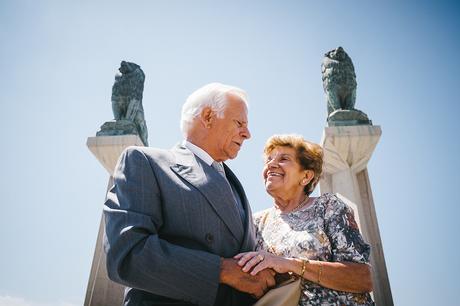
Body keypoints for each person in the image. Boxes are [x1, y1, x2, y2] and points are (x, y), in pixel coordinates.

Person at [103, 83, 275, 306]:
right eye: (240, 123)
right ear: (208, 117)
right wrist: (221, 270)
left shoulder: (235, 185)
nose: (248, 134)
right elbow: (127, 255)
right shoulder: (144, 162)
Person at [235, 134, 374, 305]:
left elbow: (362, 278)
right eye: (268, 160)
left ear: (306, 176)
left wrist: (290, 265)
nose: (271, 164)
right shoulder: (255, 222)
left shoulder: (328, 207)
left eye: (284, 158)